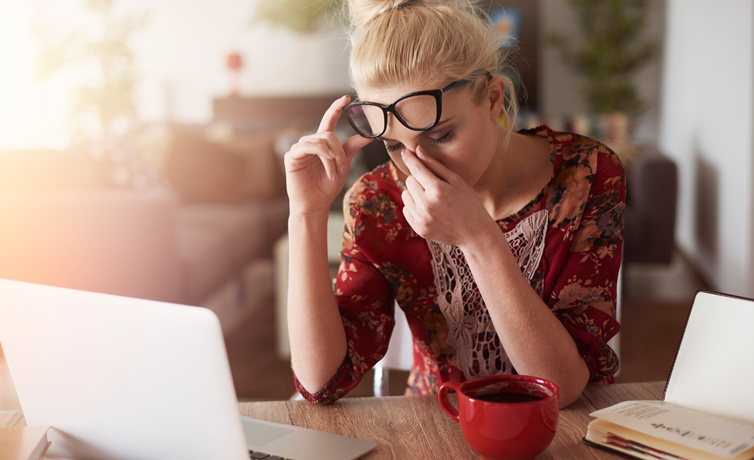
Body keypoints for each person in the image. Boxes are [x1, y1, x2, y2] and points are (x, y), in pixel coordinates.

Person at [283, 0, 624, 408]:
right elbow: (321, 382)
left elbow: (562, 388)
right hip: (437, 424)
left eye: (440, 135)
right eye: (394, 145)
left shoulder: (585, 174)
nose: (417, 166)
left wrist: (478, 238)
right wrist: (306, 214)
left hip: (564, 432)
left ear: (494, 99)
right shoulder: (380, 203)